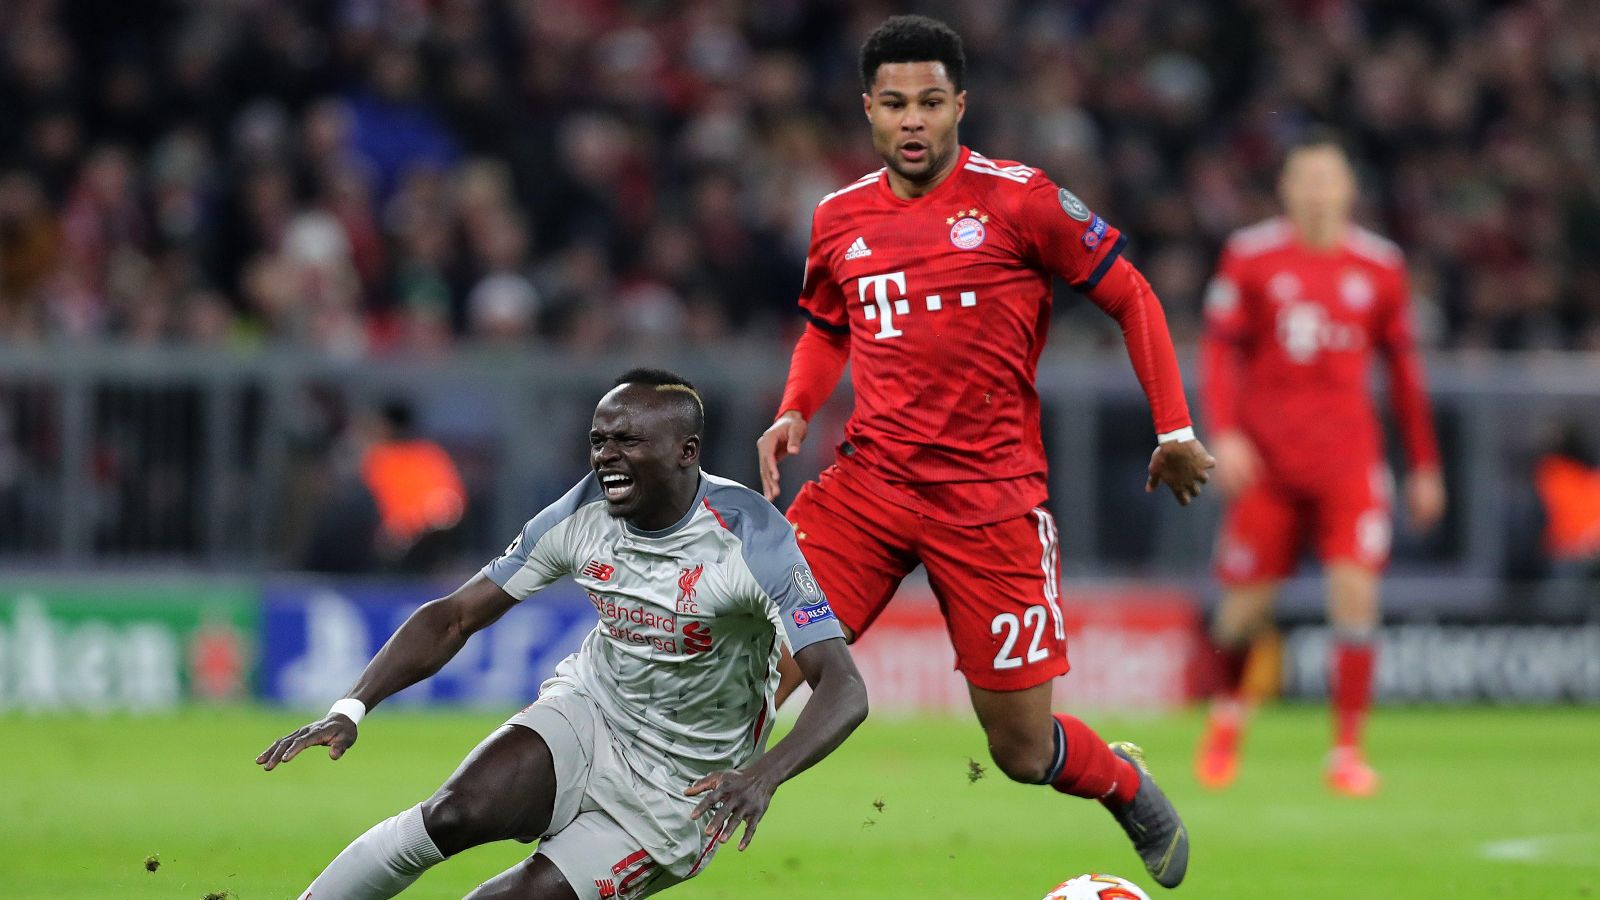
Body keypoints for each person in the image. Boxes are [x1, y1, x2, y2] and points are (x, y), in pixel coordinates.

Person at [755, 16, 1212, 889]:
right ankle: (642, 833)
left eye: (930, 102)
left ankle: (1122, 782)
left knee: (1021, 749)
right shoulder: (838, 217)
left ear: (959, 106)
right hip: (867, 489)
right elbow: (826, 324)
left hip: (990, 504)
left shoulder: (1021, 200)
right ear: (868, 109)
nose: (913, 120)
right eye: (895, 103)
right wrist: (795, 408)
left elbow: (1132, 295)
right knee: (753, 674)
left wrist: (1176, 430)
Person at [259, 369, 868, 900]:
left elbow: (844, 687)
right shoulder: (582, 513)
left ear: (686, 451)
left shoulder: (752, 538)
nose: (606, 456)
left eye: (628, 441)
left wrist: (764, 774)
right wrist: (351, 707)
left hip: (682, 789)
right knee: (451, 814)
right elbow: (455, 615)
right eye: (599, 440)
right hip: (592, 712)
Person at [1196, 131, 1446, 796]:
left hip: (1348, 462)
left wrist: (1424, 463)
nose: (1315, 193)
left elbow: (1404, 374)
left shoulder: (1381, 266)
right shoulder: (1249, 256)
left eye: (1327, 180)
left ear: (1348, 189)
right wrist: (1226, 434)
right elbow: (1218, 352)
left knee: (1356, 595)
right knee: (1242, 612)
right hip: (1267, 465)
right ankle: (1227, 720)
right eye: (1304, 180)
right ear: (1285, 189)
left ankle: (1346, 751)